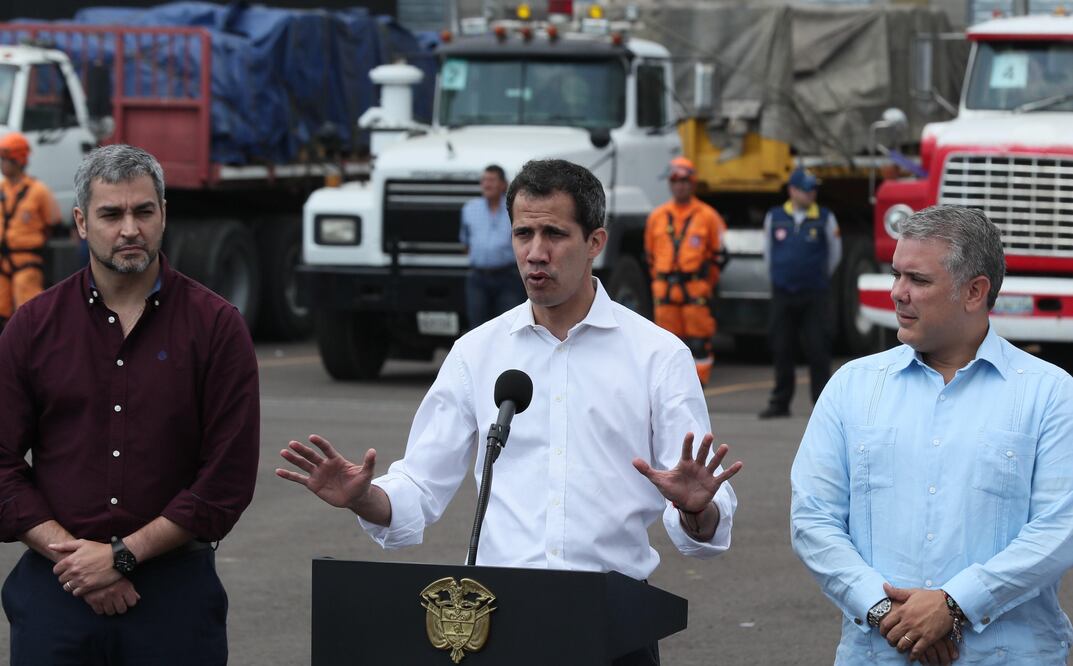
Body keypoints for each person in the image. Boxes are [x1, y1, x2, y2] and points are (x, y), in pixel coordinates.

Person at [279, 158, 743, 666]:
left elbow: (701, 525)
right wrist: (365, 497)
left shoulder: (658, 356)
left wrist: (698, 507)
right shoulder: (476, 353)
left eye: (554, 234)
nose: (535, 253)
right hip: (498, 629)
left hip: (613, 626)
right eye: (523, 233)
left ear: (595, 242)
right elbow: (418, 488)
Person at [0, 144, 260, 665]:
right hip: (57, 595)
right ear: (80, 221)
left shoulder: (216, 327)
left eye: (144, 211)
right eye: (111, 214)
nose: (129, 229)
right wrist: (79, 565)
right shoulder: (31, 327)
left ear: (164, 214)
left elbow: (225, 480)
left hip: (174, 601)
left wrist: (122, 556)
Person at [790, 205, 1073, 665]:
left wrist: (955, 604)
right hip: (877, 652)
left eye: (918, 280)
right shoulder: (852, 386)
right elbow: (813, 519)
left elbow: (1060, 529)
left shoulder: (1050, 394)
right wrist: (886, 613)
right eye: (895, 275)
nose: (898, 294)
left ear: (974, 291)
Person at [758, 167, 841, 418]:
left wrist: (817, 278)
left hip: (814, 293)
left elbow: (835, 255)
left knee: (818, 348)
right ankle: (780, 402)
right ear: (792, 190)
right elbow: (768, 254)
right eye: (806, 189)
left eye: (814, 189)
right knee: (782, 347)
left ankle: (822, 405)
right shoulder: (775, 217)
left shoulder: (825, 217)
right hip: (783, 292)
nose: (811, 193)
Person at [644, 156, 727, 386]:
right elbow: (650, 255)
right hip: (665, 291)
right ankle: (668, 387)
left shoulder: (708, 216)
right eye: (675, 180)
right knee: (664, 344)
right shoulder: (657, 217)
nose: (680, 185)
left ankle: (699, 385)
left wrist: (705, 283)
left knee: (699, 343)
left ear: (693, 182)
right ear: (670, 183)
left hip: (695, 288)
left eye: (685, 180)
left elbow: (719, 255)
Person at [0, 131, 62, 328]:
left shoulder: (39, 191)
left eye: (5, 159)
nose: (1, 163)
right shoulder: (1, 190)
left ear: (18, 160)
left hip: (27, 262)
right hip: (3, 262)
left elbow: (55, 225)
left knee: (28, 310)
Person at [459, 164, 525, 328]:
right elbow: (465, 242)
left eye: (492, 180)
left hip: (507, 277)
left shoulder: (514, 208)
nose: (487, 184)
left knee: (510, 326)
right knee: (477, 328)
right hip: (478, 279)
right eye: (484, 180)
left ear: (503, 184)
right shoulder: (470, 209)